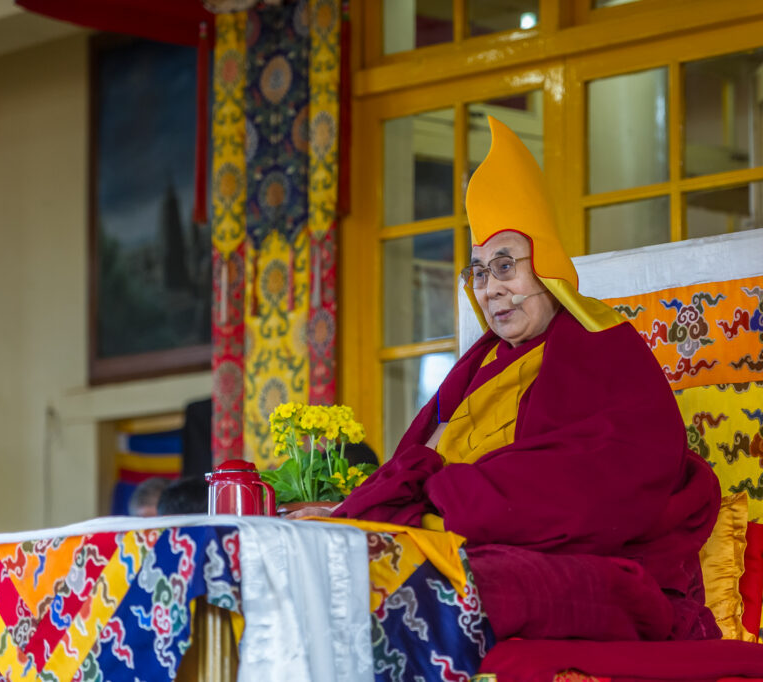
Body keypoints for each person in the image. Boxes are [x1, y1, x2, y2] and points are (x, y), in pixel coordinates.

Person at [296, 116, 722, 643]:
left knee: (458, 588)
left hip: (566, 555)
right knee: (324, 557)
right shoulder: (479, 365)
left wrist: (441, 495)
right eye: (479, 272)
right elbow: (424, 459)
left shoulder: (604, 347)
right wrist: (356, 509)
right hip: (464, 532)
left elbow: (602, 485)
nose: (490, 289)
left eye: (504, 267)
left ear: (545, 265)